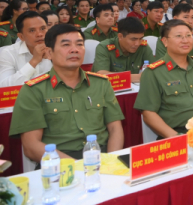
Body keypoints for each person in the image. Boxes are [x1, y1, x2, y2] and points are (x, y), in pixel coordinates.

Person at [9, 24, 124, 161]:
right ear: (49, 53)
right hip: (57, 163)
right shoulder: (33, 90)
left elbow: (115, 129)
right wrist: (76, 167)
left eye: (79, 44)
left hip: (102, 156)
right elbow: (31, 146)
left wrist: (111, 162)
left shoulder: (101, 83)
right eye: (66, 45)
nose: (74, 50)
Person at [134, 20, 193, 138]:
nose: (185, 40)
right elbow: (148, 114)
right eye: (179, 36)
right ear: (165, 41)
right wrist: (176, 137)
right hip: (179, 133)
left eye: (188, 35)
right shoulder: (153, 72)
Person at [92, 17, 155, 84]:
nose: (137, 43)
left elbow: (154, 71)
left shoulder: (143, 46)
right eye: (133, 39)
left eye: (140, 39)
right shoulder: (104, 47)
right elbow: (102, 75)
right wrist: (137, 77)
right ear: (120, 36)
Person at [0, 12, 52, 87]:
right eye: (32, 30)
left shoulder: (57, 49)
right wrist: (34, 61)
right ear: (21, 37)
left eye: (43, 28)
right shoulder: (8, 53)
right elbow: (4, 86)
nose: (39, 34)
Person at [156, 4, 193, 69]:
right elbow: (162, 66)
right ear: (175, 19)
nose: (190, 21)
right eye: (186, 17)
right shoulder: (165, 40)